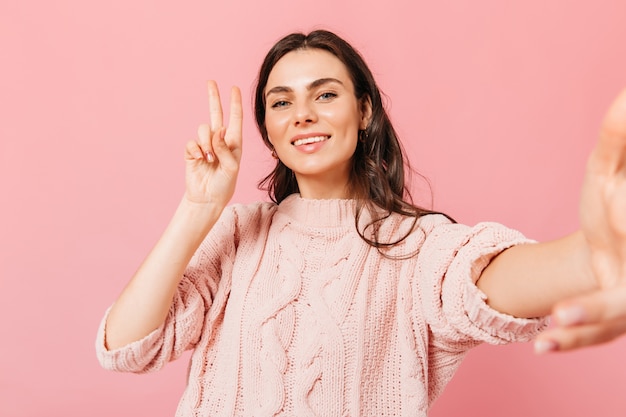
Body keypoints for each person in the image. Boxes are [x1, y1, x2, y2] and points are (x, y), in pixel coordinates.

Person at [96, 30, 626, 416]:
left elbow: (486, 282)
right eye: (281, 103)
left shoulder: (416, 247)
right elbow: (127, 347)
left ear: (365, 110)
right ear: (269, 130)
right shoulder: (237, 234)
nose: (302, 114)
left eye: (325, 94)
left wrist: (593, 251)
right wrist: (197, 210)